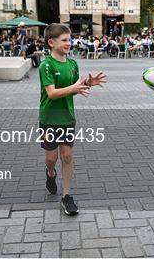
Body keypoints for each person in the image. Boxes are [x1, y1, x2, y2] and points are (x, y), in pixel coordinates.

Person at [39, 23, 106, 215]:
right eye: (65, 40)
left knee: (67, 156)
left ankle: (66, 196)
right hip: (49, 118)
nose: (69, 43)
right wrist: (75, 88)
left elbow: (72, 90)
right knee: (51, 158)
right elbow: (52, 94)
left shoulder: (73, 64)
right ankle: (50, 173)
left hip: (67, 117)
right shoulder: (46, 65)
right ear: (51, 43)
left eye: (70, 39)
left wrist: (86, 84)